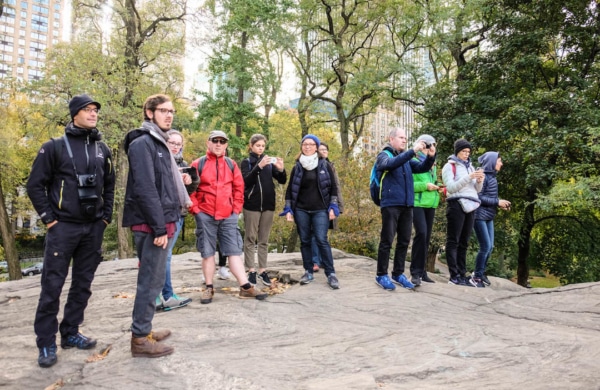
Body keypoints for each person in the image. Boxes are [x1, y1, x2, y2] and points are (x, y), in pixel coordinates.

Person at [26, 94, 115, 368]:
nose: (93, 114)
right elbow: (35, 185)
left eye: (95, 110)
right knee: (51, 287)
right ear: (74, 113)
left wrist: (105, 218)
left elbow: (109, 185)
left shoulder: (103, 149)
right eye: (87, 110)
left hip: (93, 228)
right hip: (62, 228)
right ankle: (46, 344)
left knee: (83, 286)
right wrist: (50, 219)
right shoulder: (53, 147)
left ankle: (71, 332)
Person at [123, 94, 191, 358]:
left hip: (163, 219)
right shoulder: (142, 143)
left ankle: (145, 329)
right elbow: (145, 188)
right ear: (149, 113)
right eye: (163, 110)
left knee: (155, 279)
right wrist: (159, 227)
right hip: (150, 223)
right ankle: (140, 340)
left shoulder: (159, 142)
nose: (169, 115)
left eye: (171, 111)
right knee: (149, 281)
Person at [189, 130, 268, 303]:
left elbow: (239, 189)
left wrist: (235, 211)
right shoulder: (197, 164)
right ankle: (209, 287)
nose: (218, 144)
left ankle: (245, 286)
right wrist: (196, 211)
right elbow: (190, 191)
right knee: (207, 252)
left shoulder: (231, 164)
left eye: (222, 141)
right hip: (205, 214)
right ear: (208, 143)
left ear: (226, 145)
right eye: (215, 141)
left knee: (233, 251)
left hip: (228, 215)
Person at [374, 128, 436, 291]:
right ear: (391, 139)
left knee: (404, 240)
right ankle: (381, 274)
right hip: (391, 204)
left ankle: (398, 273)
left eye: (405, 138)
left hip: (407, 205)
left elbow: (421, 168)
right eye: (401, 137)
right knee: (387, 240)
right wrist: (412, 151)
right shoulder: (384, 155)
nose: (404, 140)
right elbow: (388, 165)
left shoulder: (407, 159)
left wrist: (430, 157)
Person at [281, 134, 341, 290]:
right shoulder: (297, 167)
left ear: (316, 147)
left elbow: (334, 187)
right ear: (301, 147)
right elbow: (290, 190)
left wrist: (334, 207)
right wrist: (288, 209)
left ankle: (331, 273)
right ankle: (308, 271)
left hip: (321, 209)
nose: (307, 147)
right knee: (305, 241)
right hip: (301, 210)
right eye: (305, 144)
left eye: (311, 144)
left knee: (321, 239)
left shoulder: (324, 165)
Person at [154, 130, 199, 311]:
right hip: (160, 215)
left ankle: (165, 294)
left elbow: (191, 190)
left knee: (166, 255)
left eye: (178, 144)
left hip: (178, 214)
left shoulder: (183, 164)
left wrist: (189, 181)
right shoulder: (157, 160)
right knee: (159, 256)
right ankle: (162, 295)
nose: (174, 146)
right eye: (171, 143)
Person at [240, 134, 287, 286]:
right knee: (250, 238)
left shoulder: (268, 163)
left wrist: (281, 169)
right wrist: (258, 167)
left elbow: (282, 180)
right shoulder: (246, 162)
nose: (260, 148)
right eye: (258, 145)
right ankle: (251, 270)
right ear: (251, 146)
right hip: (252, 206)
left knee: (264, 240)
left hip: (268, 205)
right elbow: (246, 181)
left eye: (262, 146)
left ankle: (262, 270)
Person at [441, 138, 484, 286]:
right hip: (456, 203)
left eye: (468, 152)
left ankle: (462, 273)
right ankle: (453, 275)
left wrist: (479, 180)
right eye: (464, 151)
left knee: (464, 242)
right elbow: (450, 188)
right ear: (457, 152)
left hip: (471, 204)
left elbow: (477, 190)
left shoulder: (471, 167)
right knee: (454, 240)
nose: (466, 154)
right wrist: (468, 177)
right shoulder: (449, 166)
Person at [469, 152, 511, 288]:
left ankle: (480, 273)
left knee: (490, 247)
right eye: (499, 161)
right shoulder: (483, 176)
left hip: (488, 216)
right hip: (479, 216)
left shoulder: (493, 177)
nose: (501, 164)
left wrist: (500, 204)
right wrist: (497, 202)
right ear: (492, 162)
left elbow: (490, 198)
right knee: (485, 246)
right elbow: (478, 197)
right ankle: (476, 277)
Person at [410, 135, 442, 286]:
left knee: (427, 238)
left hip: (431, 203)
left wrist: (438, 187)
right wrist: (426, 187)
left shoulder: (432, 162)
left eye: (433, 145)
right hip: (417, 203)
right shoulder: (412, 161)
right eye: (428, 145)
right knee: (421, 234)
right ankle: (415, 273)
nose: (430, 148)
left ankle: (422, 271)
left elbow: (431, 181)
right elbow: (408, 185)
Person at [311, 142, 344, 272]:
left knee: (322, 235)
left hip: (329, 204)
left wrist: (338, 205)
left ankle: (324, 261)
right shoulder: (312, 165)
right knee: (314, 233)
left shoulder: (331, 166)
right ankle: (315, 261)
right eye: (320, 150)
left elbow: (336, 187)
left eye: (325, 149)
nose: (323, 151)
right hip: (316, 204)